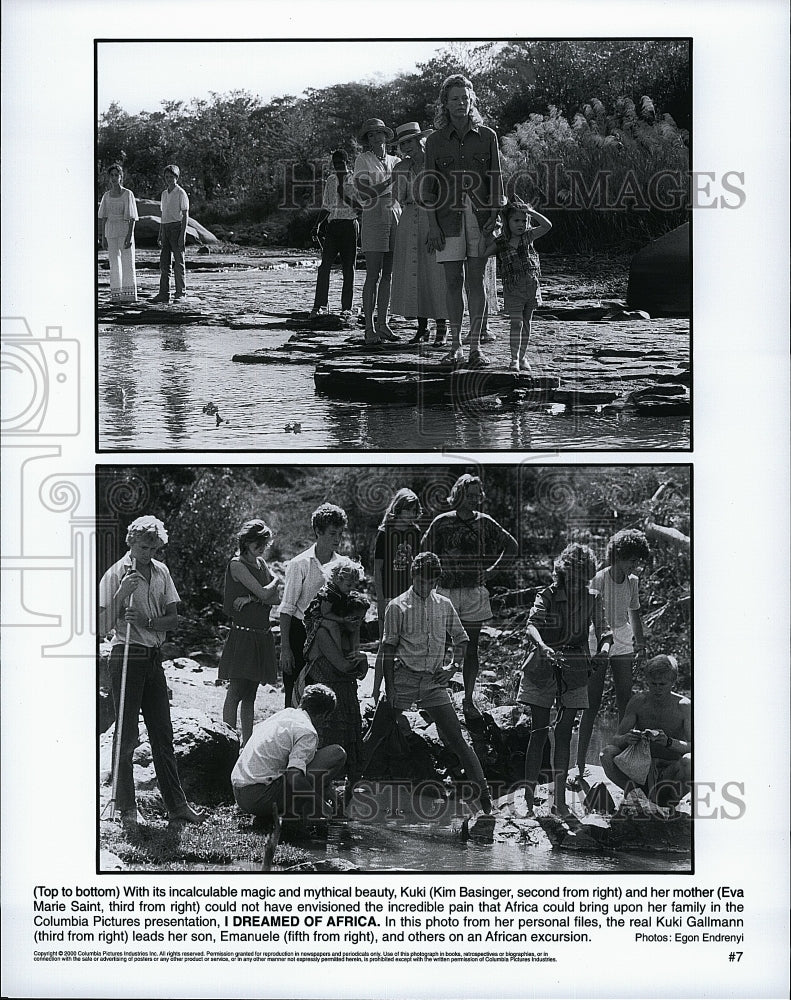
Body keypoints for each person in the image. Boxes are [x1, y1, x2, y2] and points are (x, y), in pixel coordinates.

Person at [98, 515, 205, 829]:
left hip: (153, 657)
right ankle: (125, 807)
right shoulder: (116, 573)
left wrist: (147, 622)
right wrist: (121, 594)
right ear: (131, 541)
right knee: (127, 734)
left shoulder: (162, 572)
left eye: (153, 548)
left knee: (162, 733)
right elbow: (102, 626)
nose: (148, 553)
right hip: (126, 656)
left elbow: (173, 619)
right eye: (144, 546)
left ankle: (177, 806)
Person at [382, 552, 492, 815]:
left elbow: (462, 639)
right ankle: (350, 790)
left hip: (433, 681)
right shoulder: (397, 606)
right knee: (377, 734)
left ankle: (486, 800)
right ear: (413, 577)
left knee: (458, 739)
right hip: (404, 677)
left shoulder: (443, 604)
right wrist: (389, 687)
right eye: (420, 581)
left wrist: (452, 667)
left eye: (429, 582)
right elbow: (387, 649)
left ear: (436, 580)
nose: (424, 587)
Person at [518, 543, 613, 818]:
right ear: (562, 574)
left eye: (583, 579)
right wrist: (542, 646)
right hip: (542, 666)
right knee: (538, 734)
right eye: (573, 578)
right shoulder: (546, 595)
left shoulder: (593, 598)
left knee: (562, 736)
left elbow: (605, 633)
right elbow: (531, 625)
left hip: (575, 668)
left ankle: (559, 802)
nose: (577, 584)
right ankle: (527, 800)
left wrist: (603, 653)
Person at [421, 474, 518, 724]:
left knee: (471, 648)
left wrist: (492, 571)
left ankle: (468, 699)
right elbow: (424, 550)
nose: (475, 499)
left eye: (478, 495)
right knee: (439, 645)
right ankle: (434, 696)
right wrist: (432, 577)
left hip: (474, 591)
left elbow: (512, 546)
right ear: (459, 494)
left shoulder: (485, 522)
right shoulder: (442, 522)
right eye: (470, 494)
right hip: (446, 591)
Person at [423, 75, 505, 368]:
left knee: (476, 280)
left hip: (481, 219)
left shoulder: (488, 136)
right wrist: (432, 226)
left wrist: (494, 219)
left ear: (473, 102)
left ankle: (475, 347)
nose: (461, 103)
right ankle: (455, 345)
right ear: (445, 103)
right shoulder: (433, 141)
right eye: (455, 98)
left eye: (466, 98)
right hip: (446, 220)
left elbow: (496, 182)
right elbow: (428, 188)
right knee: (452, 280)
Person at [569, 528, 651, 789]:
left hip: (623, 639)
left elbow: (635, 614)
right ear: (617, 556)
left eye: (637, 561)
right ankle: (579, 765)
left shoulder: (633, 581)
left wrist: (641, 643)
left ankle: (621, 763)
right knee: (590, 704)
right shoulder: (598, 579)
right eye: (630, 560)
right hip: (598, 639)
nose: (633, 565)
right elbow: (583, 614)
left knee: (626, 703)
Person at [293, 558, 370, 797]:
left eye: (359, 620)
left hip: (346, 696)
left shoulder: (348, 629)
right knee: (328, 744)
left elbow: (358, 671)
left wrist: (361, 659)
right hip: (326, 698)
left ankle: (345, 800)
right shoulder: (325, 630)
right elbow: (344, 666)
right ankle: (319, 796)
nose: (356, 624)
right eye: (353, 619)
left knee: (351, 742)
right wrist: (359, 661)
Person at [232, 684, 347, 824]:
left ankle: (272, 815)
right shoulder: (308, 731)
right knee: (336, 754)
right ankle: (296, 815)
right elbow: (294, 777)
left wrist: (326, 787)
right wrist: (321, 804)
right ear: (323, 715)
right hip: (259, 797)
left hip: (240, 793)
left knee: (305, 766)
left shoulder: (284, 715)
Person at [217, 520, 282, 748]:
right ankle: (228, 742)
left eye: (264, 543)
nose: (261, 547)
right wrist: (273, 584)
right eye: (258, 542)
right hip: (243, 635)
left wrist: (252, 598)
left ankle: (247, 743)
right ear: (245, 541)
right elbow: (267, 593)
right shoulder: (237, 564)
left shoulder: (261, 563)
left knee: (251, 695)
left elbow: (275, 598)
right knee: (235, 691)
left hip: (261, 634)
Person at [279, 503, 347, 708]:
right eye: (332, 533)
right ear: (318, 531)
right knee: (295, 695)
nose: (337, 539)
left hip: (331, 634)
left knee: (326, 697)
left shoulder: (343, 564)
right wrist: (285, 649)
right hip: (300, 633)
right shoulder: (299, 564)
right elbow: (287, 608)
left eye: (340, 533)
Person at [600, 655, 691, 807]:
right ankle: (636, 794)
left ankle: (670, 801)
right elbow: (615, 739)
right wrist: (627, 738)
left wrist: (669, 742)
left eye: (662, 684)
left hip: (671, 771)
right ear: (647, 681)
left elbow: (693, 746)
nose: (657, 689)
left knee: (690, 761)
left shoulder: (684, 706)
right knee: (607, 754)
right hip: (640, 770)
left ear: (673, 682)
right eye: (653, 684)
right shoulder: (638, 702)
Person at [389, 122, 448, 345]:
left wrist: (437, 226)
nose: (406, 147)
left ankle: (442, 325)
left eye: (409, 142)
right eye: (402, 144)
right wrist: (402, 174)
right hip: (409, 216)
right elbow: (398, 197)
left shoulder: (435, 163)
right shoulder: (401, 168)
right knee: (414, 270)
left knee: (436, 271)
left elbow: (443, 194)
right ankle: (422, 327)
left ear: (420, 141)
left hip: (432, 217)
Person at [482, 198, 552, 372]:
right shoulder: (501, 242)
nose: (521, 224)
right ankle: (513, 358)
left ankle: (522, 357)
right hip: (513, 289)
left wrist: (530, 211)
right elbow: (483, 252)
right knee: (516, 324)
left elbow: (547, 226)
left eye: (524, 220)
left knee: (527, 322)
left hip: (531, 286)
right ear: (507, 222)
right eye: (516, 220)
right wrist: (487, 235)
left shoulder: (529, 236)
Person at [372, 487, 424, 701]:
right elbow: (377, 569)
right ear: (397, 509)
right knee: (385, 645)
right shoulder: (385, 533)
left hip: (409, 595)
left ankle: (402, 692)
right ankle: (376, 690)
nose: (410, 515)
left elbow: (418, 565)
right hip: (389, 595)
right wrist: (381, 600)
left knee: (409, 644)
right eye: (407, 510)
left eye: (414, 511)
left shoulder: (416, 532)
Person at [352, 117, 401, 346]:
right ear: (367, 140)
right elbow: (366, 194)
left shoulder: (396, 160)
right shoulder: (363, 160)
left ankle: (383, 323)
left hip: (395, 213)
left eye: (379, 133)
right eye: (371, 135)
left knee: (389, 274)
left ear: (385, 136)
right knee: (373, 274)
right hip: (373, 214)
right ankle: (369, 327)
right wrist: (391, 182)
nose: (376, 138)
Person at [310, 149, 361, 319]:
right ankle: (320, 305)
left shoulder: (355, 180)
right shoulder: (331, 180)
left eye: (341, 163)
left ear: (347, 163)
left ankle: (346, 307)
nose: (338, 167)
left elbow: (361, 207)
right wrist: (317, 225)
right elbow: (326, 206)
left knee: (349, 268)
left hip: (349, 226)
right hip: (333, 227)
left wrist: (344, 196)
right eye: (335, 164)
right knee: (324, 267)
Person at [98, 163, 139, 303]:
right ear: (109, 178)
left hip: (124, 230)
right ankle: (116, 296)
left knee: (127, 263)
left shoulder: (128, 194)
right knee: (114, 264)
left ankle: (129, 296)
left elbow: (132, 217)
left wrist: (130, 236)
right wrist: (102, 237)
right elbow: (103, 217)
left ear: (121, 177)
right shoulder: (106, 196)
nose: (114, 178)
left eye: (117, 175)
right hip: (111, 232)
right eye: (112, 175)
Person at [151, 164, 189, 304]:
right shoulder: (164, 194)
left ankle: (180, 293)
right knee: (164, 264)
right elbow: (163, 214)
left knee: (179, 263)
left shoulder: (181, 193)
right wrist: (160, 233)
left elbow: (185, 215)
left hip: (177, 228)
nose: (169, 179)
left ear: (176, 177)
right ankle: (164, 293)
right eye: (167, 177)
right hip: (166, 228)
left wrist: (182, 235)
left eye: (171, 177)